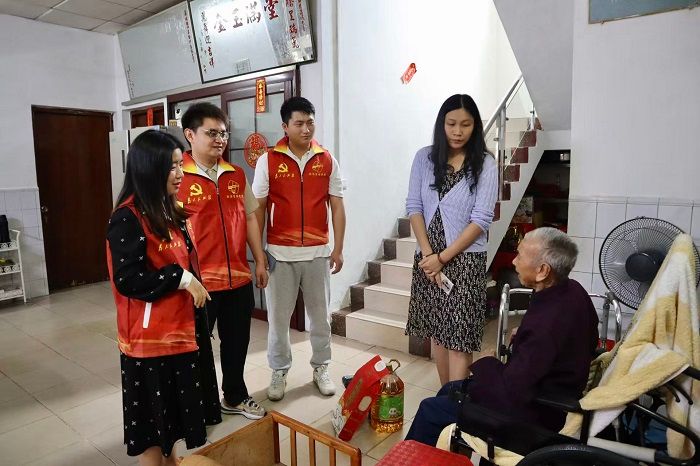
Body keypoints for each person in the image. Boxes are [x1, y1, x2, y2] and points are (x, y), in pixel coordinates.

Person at [405, 227, 600, 446]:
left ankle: (413, 455)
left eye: (520, 256)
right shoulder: (574, 290)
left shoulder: (545, 325)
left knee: (430, 410)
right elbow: (587, 338)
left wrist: (488, 362)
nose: (514, 262)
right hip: (552, 390)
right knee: (449, 389)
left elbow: (511, 392)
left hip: (535, 413)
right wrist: (525, 337)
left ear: (543, 270)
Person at [106, 130, 214, 465]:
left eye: (181, 165)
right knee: (153, 427)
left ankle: (172, 460)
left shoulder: (168, 209)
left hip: (179, 333)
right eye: (172, 167)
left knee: (172, 420)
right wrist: (181, 278)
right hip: (150, 343)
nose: (180, 174)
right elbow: (128, 280)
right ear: (148, 169)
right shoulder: (127, 217)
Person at [252, 96, 346, 401]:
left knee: (321, 319)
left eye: (310, 123)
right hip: (280, 255)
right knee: (279, 322)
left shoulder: (327, 159)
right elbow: (258, 210)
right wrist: (259, 257)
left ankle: (321, 367)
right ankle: (279, 370)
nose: (306, 129)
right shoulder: (269, 160)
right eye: (299, 123)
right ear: (285, 126)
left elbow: (337, 206)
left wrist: (338, 248)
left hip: (318, 253)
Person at [178, 103, 268, 419]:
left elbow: (251, 217)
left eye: (224, 133)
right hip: (199, 282)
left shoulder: (235, 174)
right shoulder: (177, 177)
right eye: (212, 133)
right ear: (190, 135)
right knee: (196, 348)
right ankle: (199, 406)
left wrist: (259, 260)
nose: (220, 139)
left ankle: (235, 396)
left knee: (236, 342)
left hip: (238, 277)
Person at [405, 94, 499, 385]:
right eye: (452, 124)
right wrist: (428, 255)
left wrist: (441, 258)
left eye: (466, 125)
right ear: (441, 124)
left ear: (475, 126)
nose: (458, 131)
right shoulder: (424, 158)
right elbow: (414, 207)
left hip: (465, 260)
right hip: (427, 259)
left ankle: (456, 403)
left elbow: (481, 219)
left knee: (459, 339)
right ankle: (446, 397)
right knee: (438, 334)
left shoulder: (485, 163)